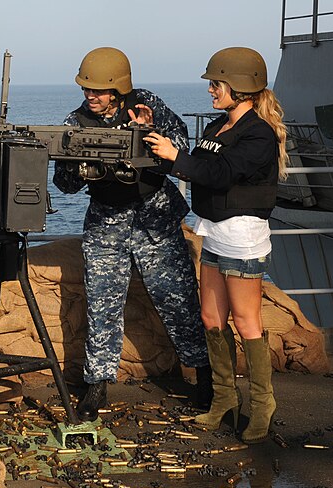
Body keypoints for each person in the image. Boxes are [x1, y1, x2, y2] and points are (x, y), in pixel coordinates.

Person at [53, 47, 211, 422]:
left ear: (118, 89)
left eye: (97, 90)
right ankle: (97, 384)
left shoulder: (145, 104)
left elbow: (181, 149)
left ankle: (204, 376)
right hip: (107, 222)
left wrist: (149, 130)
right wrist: (81, 168)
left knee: (180, 302)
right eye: (86, 89)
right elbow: (63, 184)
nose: (90, 96)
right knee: (101, 305)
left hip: (154, 217)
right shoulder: (75, 123)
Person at [145, 46, 288, 443]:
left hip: (243, 238)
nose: (210, 89)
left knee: (246, 322)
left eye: (216, 83)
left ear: (239, 87)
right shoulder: (216, 127)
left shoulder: (258, 134)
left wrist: (178, 157)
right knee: (211, 318)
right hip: (214, 231)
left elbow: (222, 173)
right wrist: (151, 136)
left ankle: (262, 406)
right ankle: (225, 399)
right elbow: (195, 166)